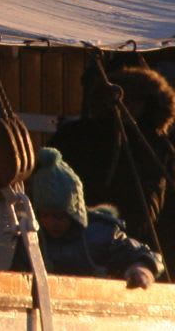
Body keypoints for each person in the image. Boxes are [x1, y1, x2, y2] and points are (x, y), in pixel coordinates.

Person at [49, 60, 175, 258]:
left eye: (135, 100)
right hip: (87, 240)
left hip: (147, 245)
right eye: (125, 99)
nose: (128, 106)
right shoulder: (80, 136)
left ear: (148, 103)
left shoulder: (157, 146)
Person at [16, 147, 162, 288]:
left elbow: (142, 254)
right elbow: (17, 273)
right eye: (45, 216)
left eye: (59, 217)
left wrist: (141, 269)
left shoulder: (100, 234)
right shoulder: (32, 239)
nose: (52, 223)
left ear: (73, 213)